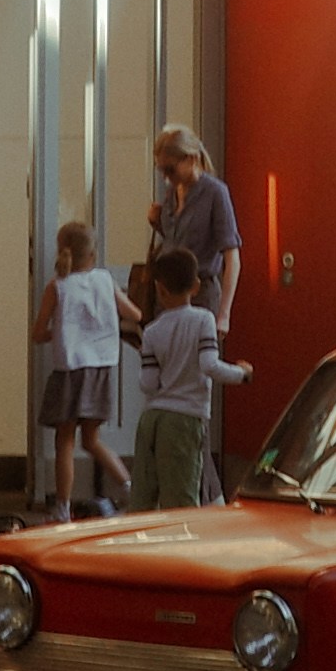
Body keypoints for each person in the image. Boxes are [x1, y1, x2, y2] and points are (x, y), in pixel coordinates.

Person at [146, 123, 243, 493]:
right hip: (168, 297)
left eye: (170, 170)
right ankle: (193, 488)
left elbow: (231, 255)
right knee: (170, 394)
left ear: (190, 159)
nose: (167, 179)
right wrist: (159, 223)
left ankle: (206, 491)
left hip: (201, 295)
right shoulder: (172, 198)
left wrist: (225, 314)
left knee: (191, 397)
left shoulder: (215, 194)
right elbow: (173, 244)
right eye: (162, 173)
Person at [30, 220, 136, 515]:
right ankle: (129, 486)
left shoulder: (57, 287)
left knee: (65, 440)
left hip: (70, 370)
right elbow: (135, 314)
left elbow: (38, 333)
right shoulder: (105, 280)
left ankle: (63, 507)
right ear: (92, 255)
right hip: (101, 369)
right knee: (92, 440)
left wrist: (61, 332)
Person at [132, 244, 249, 507]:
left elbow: (148, 384)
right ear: (196, 286)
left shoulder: (152, 331)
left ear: (159, 289)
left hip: (151, 419)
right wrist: (242, 374)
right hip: (185, 419)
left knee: (143, 498)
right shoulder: (203, 320)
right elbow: (209, 364)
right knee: (181, 499)